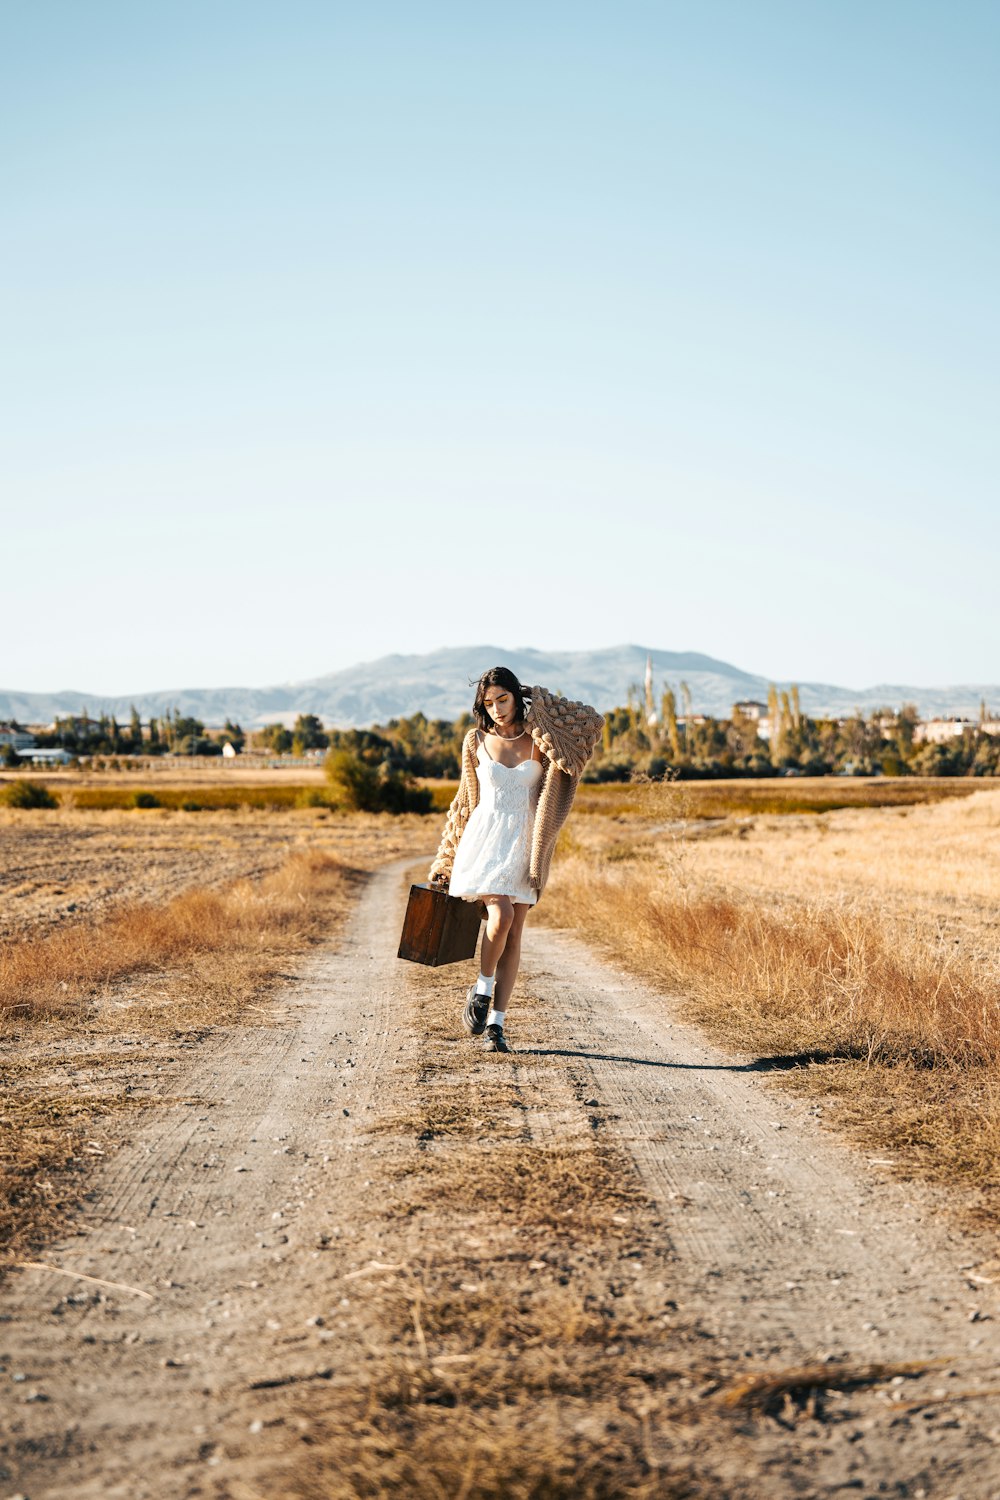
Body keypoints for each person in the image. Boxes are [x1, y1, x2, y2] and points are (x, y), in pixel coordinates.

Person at [429, 666, 603, 1054]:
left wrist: (535, 696)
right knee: (501, 916)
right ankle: (482, 988)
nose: (496, 710)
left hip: (526, 845)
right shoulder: (475, 741)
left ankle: (496, 1025)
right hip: (484, 842)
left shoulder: (542, 740)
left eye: (503, 699)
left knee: (514, 934)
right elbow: (463, 803)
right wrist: (445, 857)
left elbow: (591, 721)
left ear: (516, 696)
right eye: (488, 704)